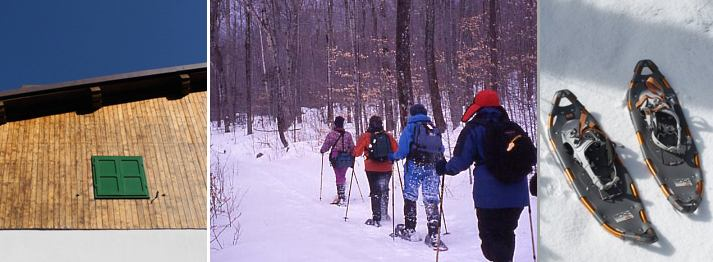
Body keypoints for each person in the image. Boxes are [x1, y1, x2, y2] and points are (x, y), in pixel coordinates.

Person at [436, 89, 531, 262]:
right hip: (517, 195)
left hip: (489, 197)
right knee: (506, 233)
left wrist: (444, 168)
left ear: (478, 107)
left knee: (490, 239)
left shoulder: (474, 129)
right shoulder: (513, 128)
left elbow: (461, 161)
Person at [391, 104, 446, 249]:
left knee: (410, 196)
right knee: (431, 198)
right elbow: (441, 149)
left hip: (414, 166)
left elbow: (402, 150)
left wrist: (393, 157)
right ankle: (434, 234)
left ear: (412, 114)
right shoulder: (432, 128)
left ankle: (410, 229)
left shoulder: (410, 128)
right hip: (432, 167)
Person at [353, 115, 398, 227]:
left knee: (375, 191)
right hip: (387, 167)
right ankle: (384, 213)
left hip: (371, 168)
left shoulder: (365, 136)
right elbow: (397, 150)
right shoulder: (388, 136)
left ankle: (376, 217)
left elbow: (357, 152)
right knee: (384, 189)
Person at [320, 116, 355, 206]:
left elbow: (326, 145)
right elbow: (352, 147)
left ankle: (341, 196)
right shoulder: (348, 134)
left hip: (336, 157)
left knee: (338, 175)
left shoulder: (331, 134)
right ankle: (342, 191)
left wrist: (322, 150)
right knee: (342, 174)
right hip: (346, 158)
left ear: (335, 124)